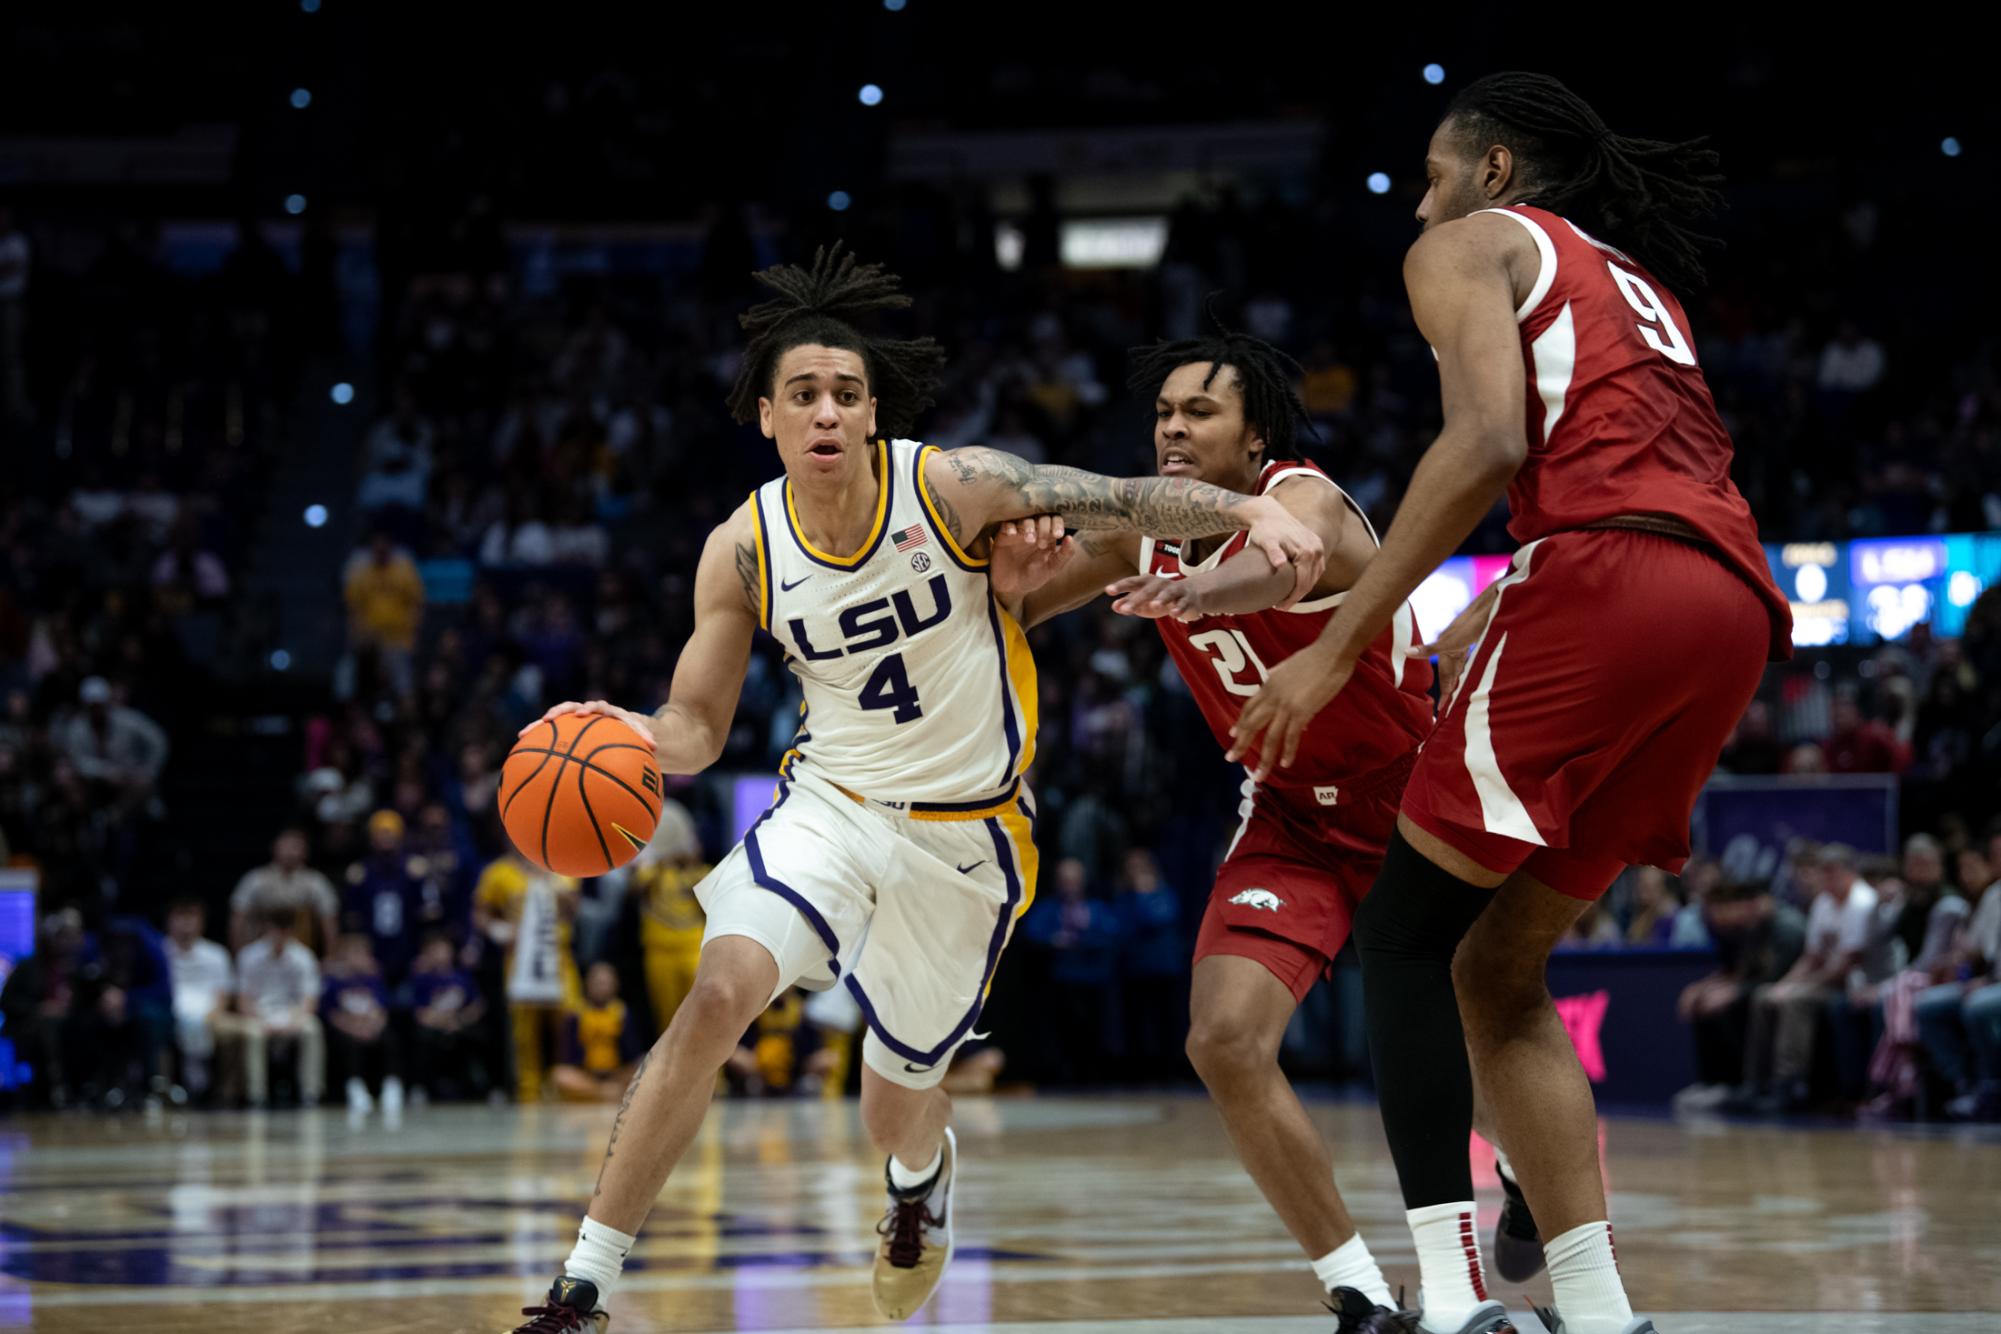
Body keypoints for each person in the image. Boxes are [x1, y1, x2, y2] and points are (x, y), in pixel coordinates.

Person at [506, 244, 1323, 1333]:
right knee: (715, 997)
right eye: (804, 394)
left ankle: (918, 1178)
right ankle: (585, 1284)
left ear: (873, 407)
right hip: (831, 807)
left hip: (967, 840)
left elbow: (1118, 494)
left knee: (893, 1104)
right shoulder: (740, 549)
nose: (828, 411)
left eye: (847, 392)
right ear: (766, 416)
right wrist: (635, 736)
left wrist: (1247, 513)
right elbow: (698, 724)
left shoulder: (951, 484)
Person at [1226, 73, 1794, 1334]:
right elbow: (1629, 473)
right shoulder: (1634, 283)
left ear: (1492, 172)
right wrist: (1500, 605)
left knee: (1404, 934)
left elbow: (1484, 442)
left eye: (1431, 174)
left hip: (1607, 574)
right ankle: (1595, 1306)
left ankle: (1447, 1295)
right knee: (1500, 963)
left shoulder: (1466, 243)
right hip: (1733, 605)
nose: (1416, 205)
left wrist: (1335, 649)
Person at [987, 323, 1439, 1323]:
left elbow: (1289, 562)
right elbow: (1008, 609)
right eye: (1163, 413)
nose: (1174, 430)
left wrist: (1197, 590)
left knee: (1470, 1037)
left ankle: (1542, 1196)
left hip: (1415, 800)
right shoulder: (1137, 528)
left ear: (1256, 433)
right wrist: (995, 586)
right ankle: (1359, 1290)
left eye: (1201, 411)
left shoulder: (1305, 496)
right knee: (1225, 1039)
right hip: (1287, 811)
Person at [473, 848, 582, 1103]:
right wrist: (496, 929)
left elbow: (574, 908)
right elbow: (480, 911)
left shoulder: (564, 866)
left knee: (568, 1021)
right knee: (523, 1028)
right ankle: (528, 1091)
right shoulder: (498, 872)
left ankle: (565, 1085)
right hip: (519, 957)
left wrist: (551, 882)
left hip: (558, 956)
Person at [233, 906, 325, 1108]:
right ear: (267, 928)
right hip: (260, 1014)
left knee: (312, 1029)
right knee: (253, 1034)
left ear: (292, 930)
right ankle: (256, 1095)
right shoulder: (249, 956)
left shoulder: (303, 957)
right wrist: (260, 1020)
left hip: (292, 1014)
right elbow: (243, 1000)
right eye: (276, 928)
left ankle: (310, 1093)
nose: (280, 935)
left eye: (285, 929)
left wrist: (295, 1022)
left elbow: (309, 1000)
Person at [163, 899, 236, 1101]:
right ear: (170, 921)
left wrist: (213, 1015)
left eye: (191, 917)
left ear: (201, 922)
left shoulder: (216, 954)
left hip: (208, 1011)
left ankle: (213, 1088)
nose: (186, 924)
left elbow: (224, 993)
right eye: (180, 917)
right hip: (172, 1009)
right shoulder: (161, 950)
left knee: (201, 1023)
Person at [321, 934, 403, 1116]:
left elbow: (382, 1011)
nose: (357, 959)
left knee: (389, 1038)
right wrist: (353, 1028)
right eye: (353, 954)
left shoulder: (374, 981)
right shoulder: (335, 983)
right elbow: (332, 1015)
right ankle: (355, 1087)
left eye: (362, 954)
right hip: (347, 1029)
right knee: (348, 1044)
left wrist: (373, 1027)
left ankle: (391, 1084)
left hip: (370, 1027)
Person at [231, 828, 340, 958]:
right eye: (286, 846)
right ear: (275, 848)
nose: (290, 852)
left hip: (302, 951)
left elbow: (329, 921)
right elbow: (238, 918)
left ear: (305, 852)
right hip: (260, 950)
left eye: (296, 847)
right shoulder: (256, 879)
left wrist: (330, 957)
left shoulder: (315, 882)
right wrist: (239, 954)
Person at [406, 933, 488, 1101]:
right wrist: (444, 1022)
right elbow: (419, 1012)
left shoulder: (462, 977)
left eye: (443, 949)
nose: (439, 954)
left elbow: (477, 1005)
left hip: (460, 1023)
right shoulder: (422, 979)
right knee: (423, 1039)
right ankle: (421, 1087)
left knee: (480, 1036)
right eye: (434, 950)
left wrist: (460, 1020)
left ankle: (481, 1086)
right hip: (434, 1026)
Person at [553, 963, 646, 1102]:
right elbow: (567, 1058)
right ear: (587, 984)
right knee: (560, 1075)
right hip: (587, 1075)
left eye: (605, 983)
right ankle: (605, 1093)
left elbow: (634, 1054)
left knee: (645, 1067)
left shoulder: (621, 1012)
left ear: (615, 985)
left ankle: (596, 1094)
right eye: (597, 983)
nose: (601, 988)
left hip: (617, 1074)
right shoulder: (577, 1013)